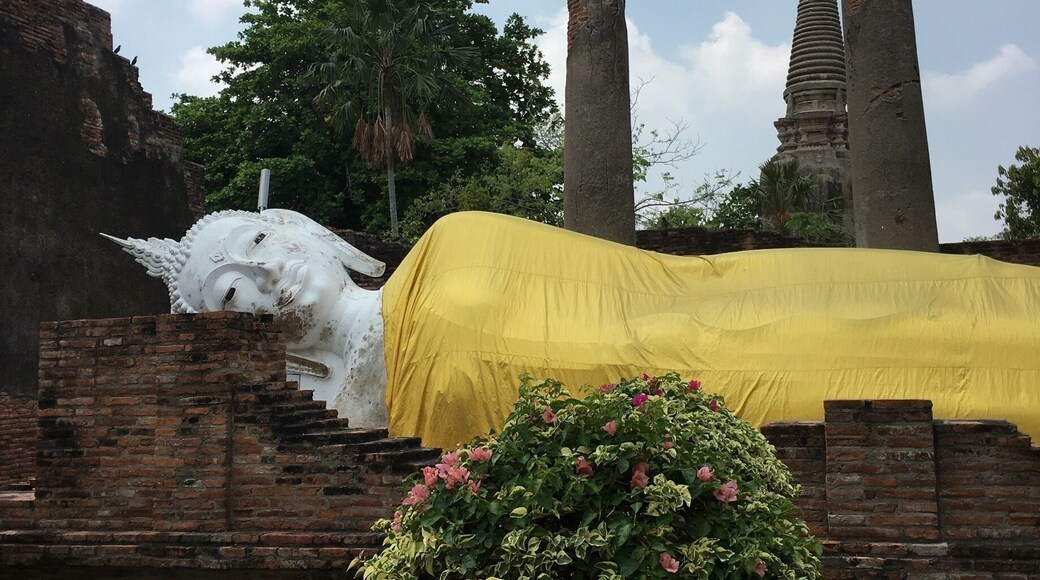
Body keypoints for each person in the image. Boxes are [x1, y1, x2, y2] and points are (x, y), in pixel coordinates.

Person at [109, 209, 1040, 449]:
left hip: (688, 305)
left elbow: (641, 285)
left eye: (262, 239)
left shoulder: (454, 241)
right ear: (236, 335)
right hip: (679, 399)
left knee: (790, 301)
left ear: (309, 232)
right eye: (234, 292)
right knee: (807, 382)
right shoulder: (341, 414)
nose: (268, 270)